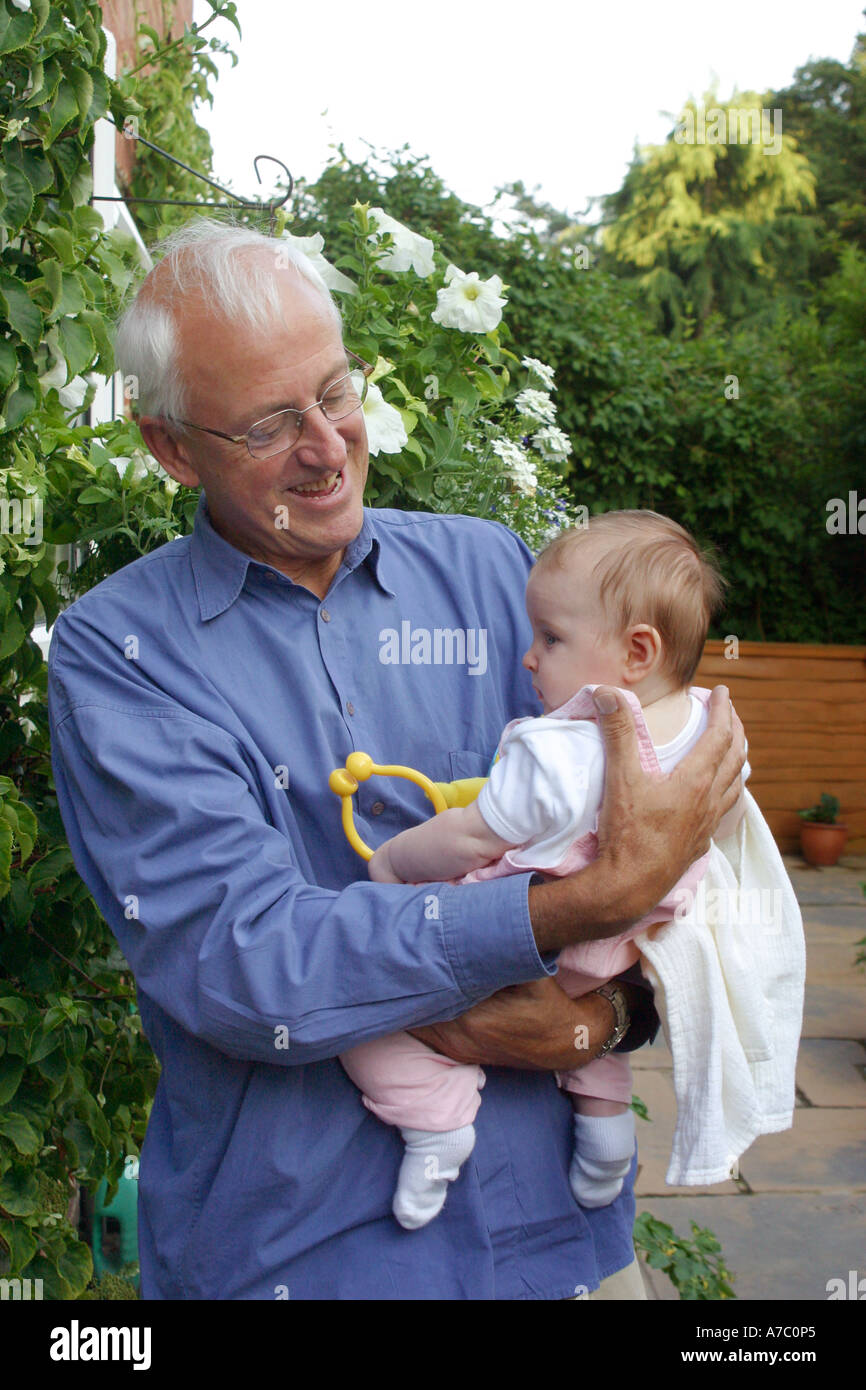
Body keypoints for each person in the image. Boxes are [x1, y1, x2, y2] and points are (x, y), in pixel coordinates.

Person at [47, 219, 744, 1300]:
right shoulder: (122, 654)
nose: (326, 445)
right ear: (173, 447)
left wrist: (594, 1018)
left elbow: (665, 854)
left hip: (563, 1244)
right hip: (308, 1257)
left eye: (334, 390)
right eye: (271, 423)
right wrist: (553, 914)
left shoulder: (491, 572)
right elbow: (247, 959)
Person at [352, 510, 747, 1229]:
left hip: (524, 938)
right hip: (625, 951)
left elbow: (475, 836)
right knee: (583, 1028)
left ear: (636, 651)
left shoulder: (560, 751)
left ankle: (435, 1121)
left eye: (552, 639)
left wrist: (393, 860)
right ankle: (603, 1131)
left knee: (366, 1011)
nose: (529, 659)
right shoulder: (705, 731)